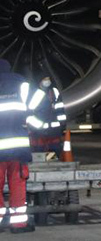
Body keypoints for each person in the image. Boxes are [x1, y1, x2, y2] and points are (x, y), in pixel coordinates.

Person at [0, 59, 44, 233]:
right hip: (18, 148)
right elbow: (39, 100)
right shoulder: (20, 83)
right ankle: (18, 224)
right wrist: (35, 124)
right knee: (17, 185)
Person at [29, 78, 67, 158]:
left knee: (50, 152)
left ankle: (50, 161)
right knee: (41, 152)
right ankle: (47, 161)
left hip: (49, 131)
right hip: (43, 131)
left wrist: (62, 125)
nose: (47, 81)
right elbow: (30, 113)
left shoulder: (53, 92)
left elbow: (59, 109)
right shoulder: (35, 93)